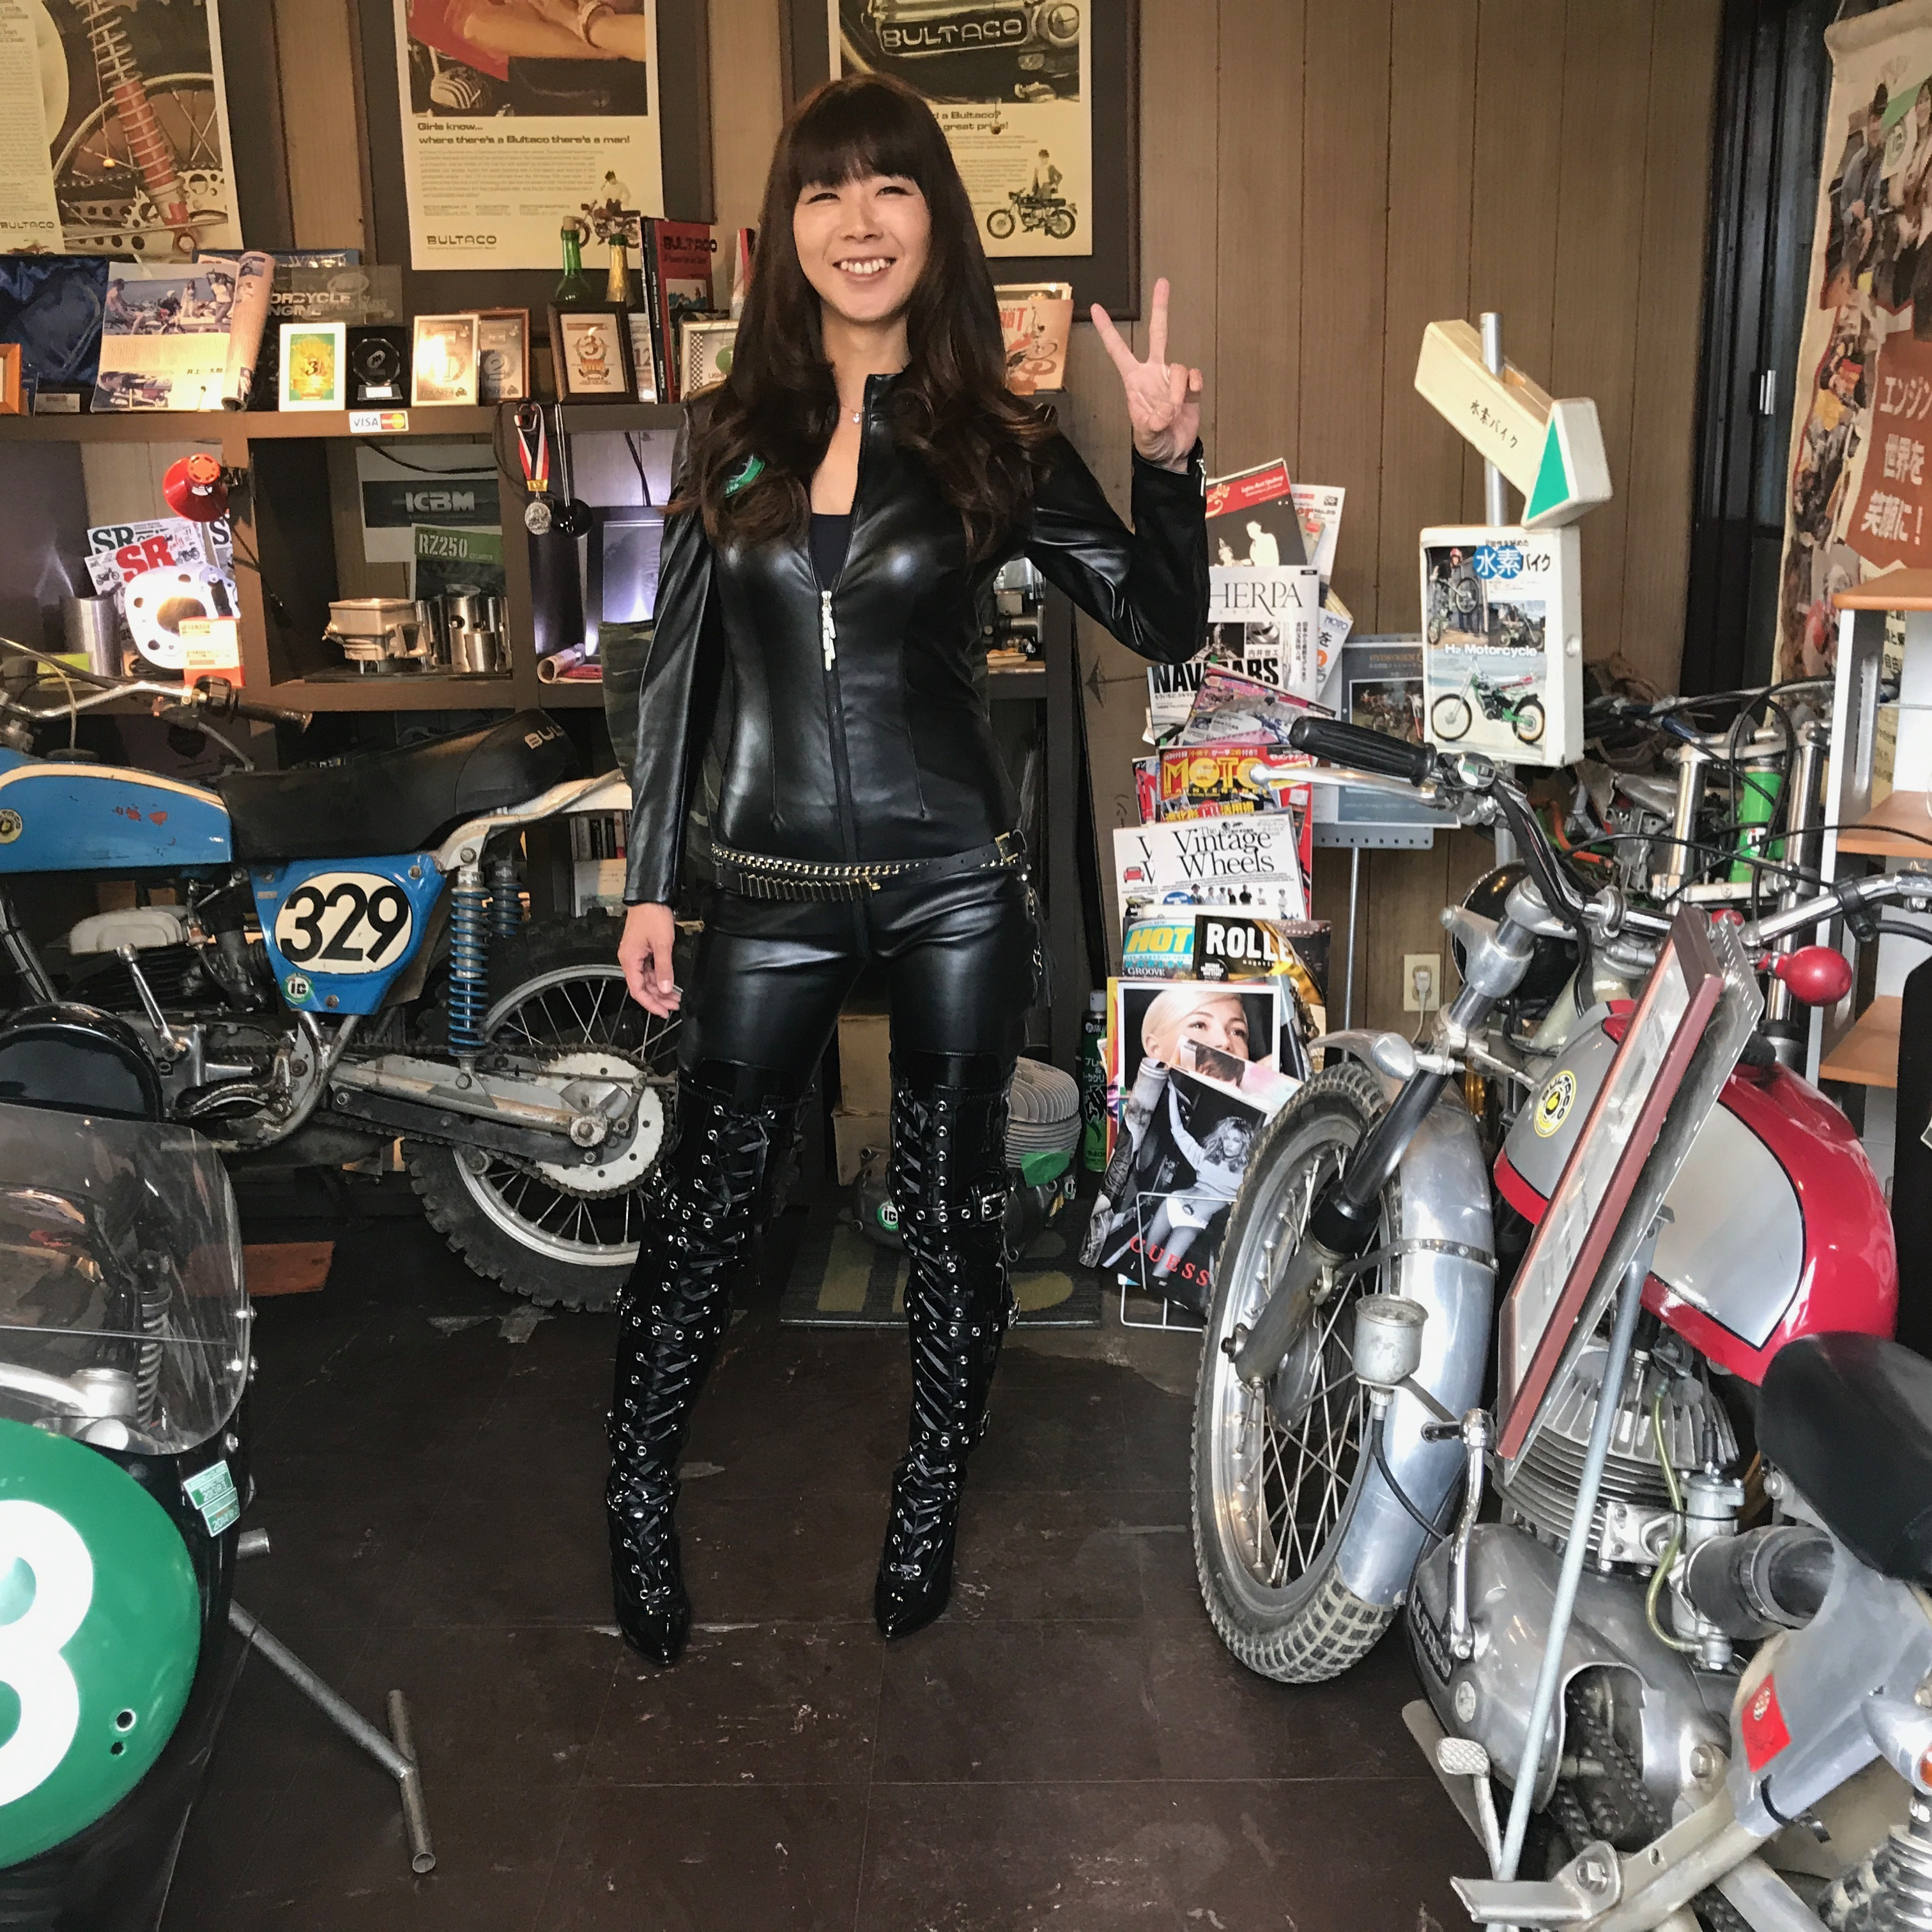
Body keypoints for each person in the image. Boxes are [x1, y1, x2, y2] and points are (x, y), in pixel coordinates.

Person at [604, 74, 1208, 1664]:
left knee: (949, 1214)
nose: (857, 222)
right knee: (704, 1211)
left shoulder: (993, 439)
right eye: (825, 192)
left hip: (952, 884)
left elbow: (1162, 621)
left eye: (890, 189)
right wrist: (653, 879)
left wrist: (1167, 463)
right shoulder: (730, 434)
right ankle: (636, 1493)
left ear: (936, 220)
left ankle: (929, 1495)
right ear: (786, 229)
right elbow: (676, 678)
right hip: (763, 881)